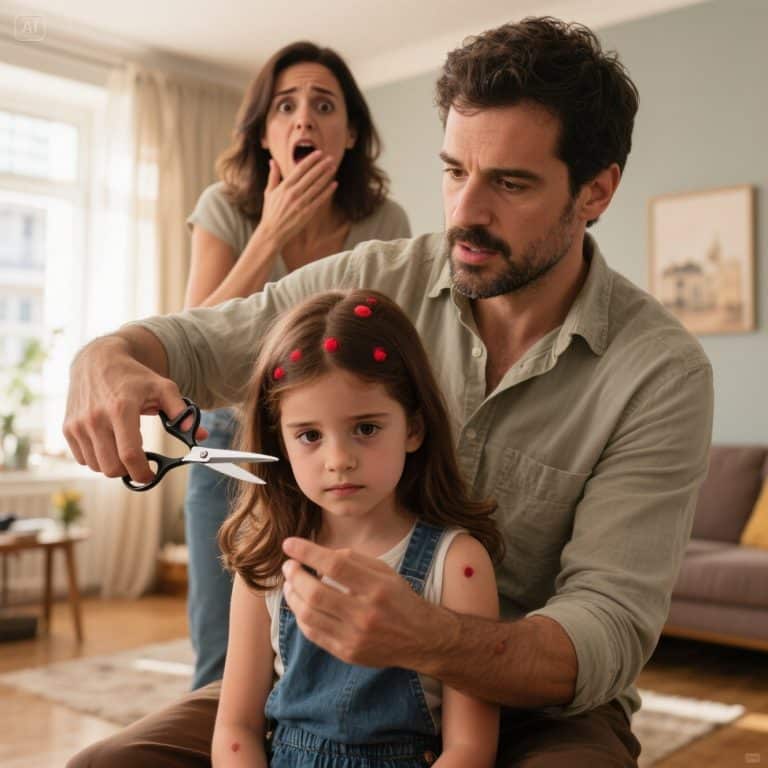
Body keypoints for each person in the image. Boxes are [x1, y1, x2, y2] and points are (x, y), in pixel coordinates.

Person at [65, 16, 713, 768]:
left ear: (596, 190)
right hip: (309, 685)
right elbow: (206, 338)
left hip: (534, 710)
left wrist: (428, 638)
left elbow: (607, 628)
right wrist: (108, 354)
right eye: (453, 171)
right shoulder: (377, 281)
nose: (467, 212)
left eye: (509, 182)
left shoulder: (660, 373)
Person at [182, 40, 411, 689]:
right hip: (231, 445)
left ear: (351, 132)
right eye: (285, 106)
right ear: (263, 134)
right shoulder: (225, 208)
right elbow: (194, 337)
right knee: (222, 651)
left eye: (323, 105)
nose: (303, 119)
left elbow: (388, 353)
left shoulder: (383, 222)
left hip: (339, 444)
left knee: (326, 639)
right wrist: (270, 234)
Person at [212, 289, 503, 767]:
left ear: (413, 428)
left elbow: (470, 749)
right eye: (309, 435)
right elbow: (236, 730)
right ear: (279, 443)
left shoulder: (458, 564)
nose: (339, 460)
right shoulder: (264, 563)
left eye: (366, 428)